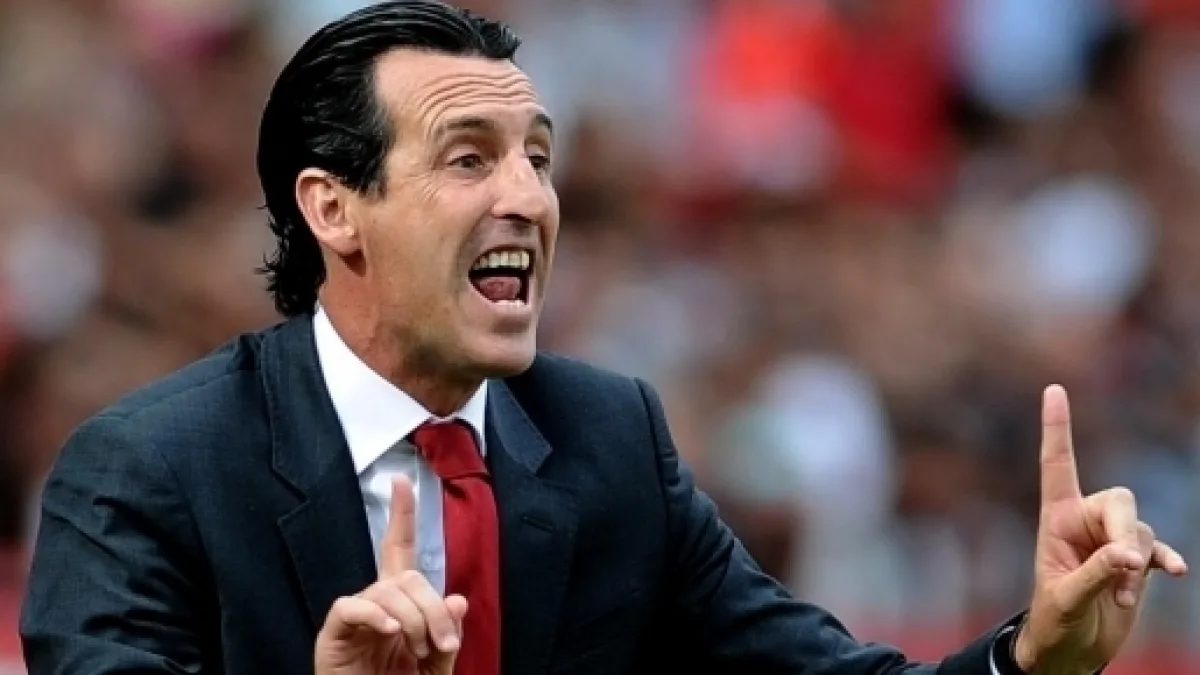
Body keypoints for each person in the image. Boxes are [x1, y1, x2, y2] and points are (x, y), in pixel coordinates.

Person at [19, 2, 1189, 674]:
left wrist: (1032, 660)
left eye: (539, 157)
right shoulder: (145, 473)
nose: (527, 197)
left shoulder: (606, 439)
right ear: (333, 209)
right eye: (469, 158)